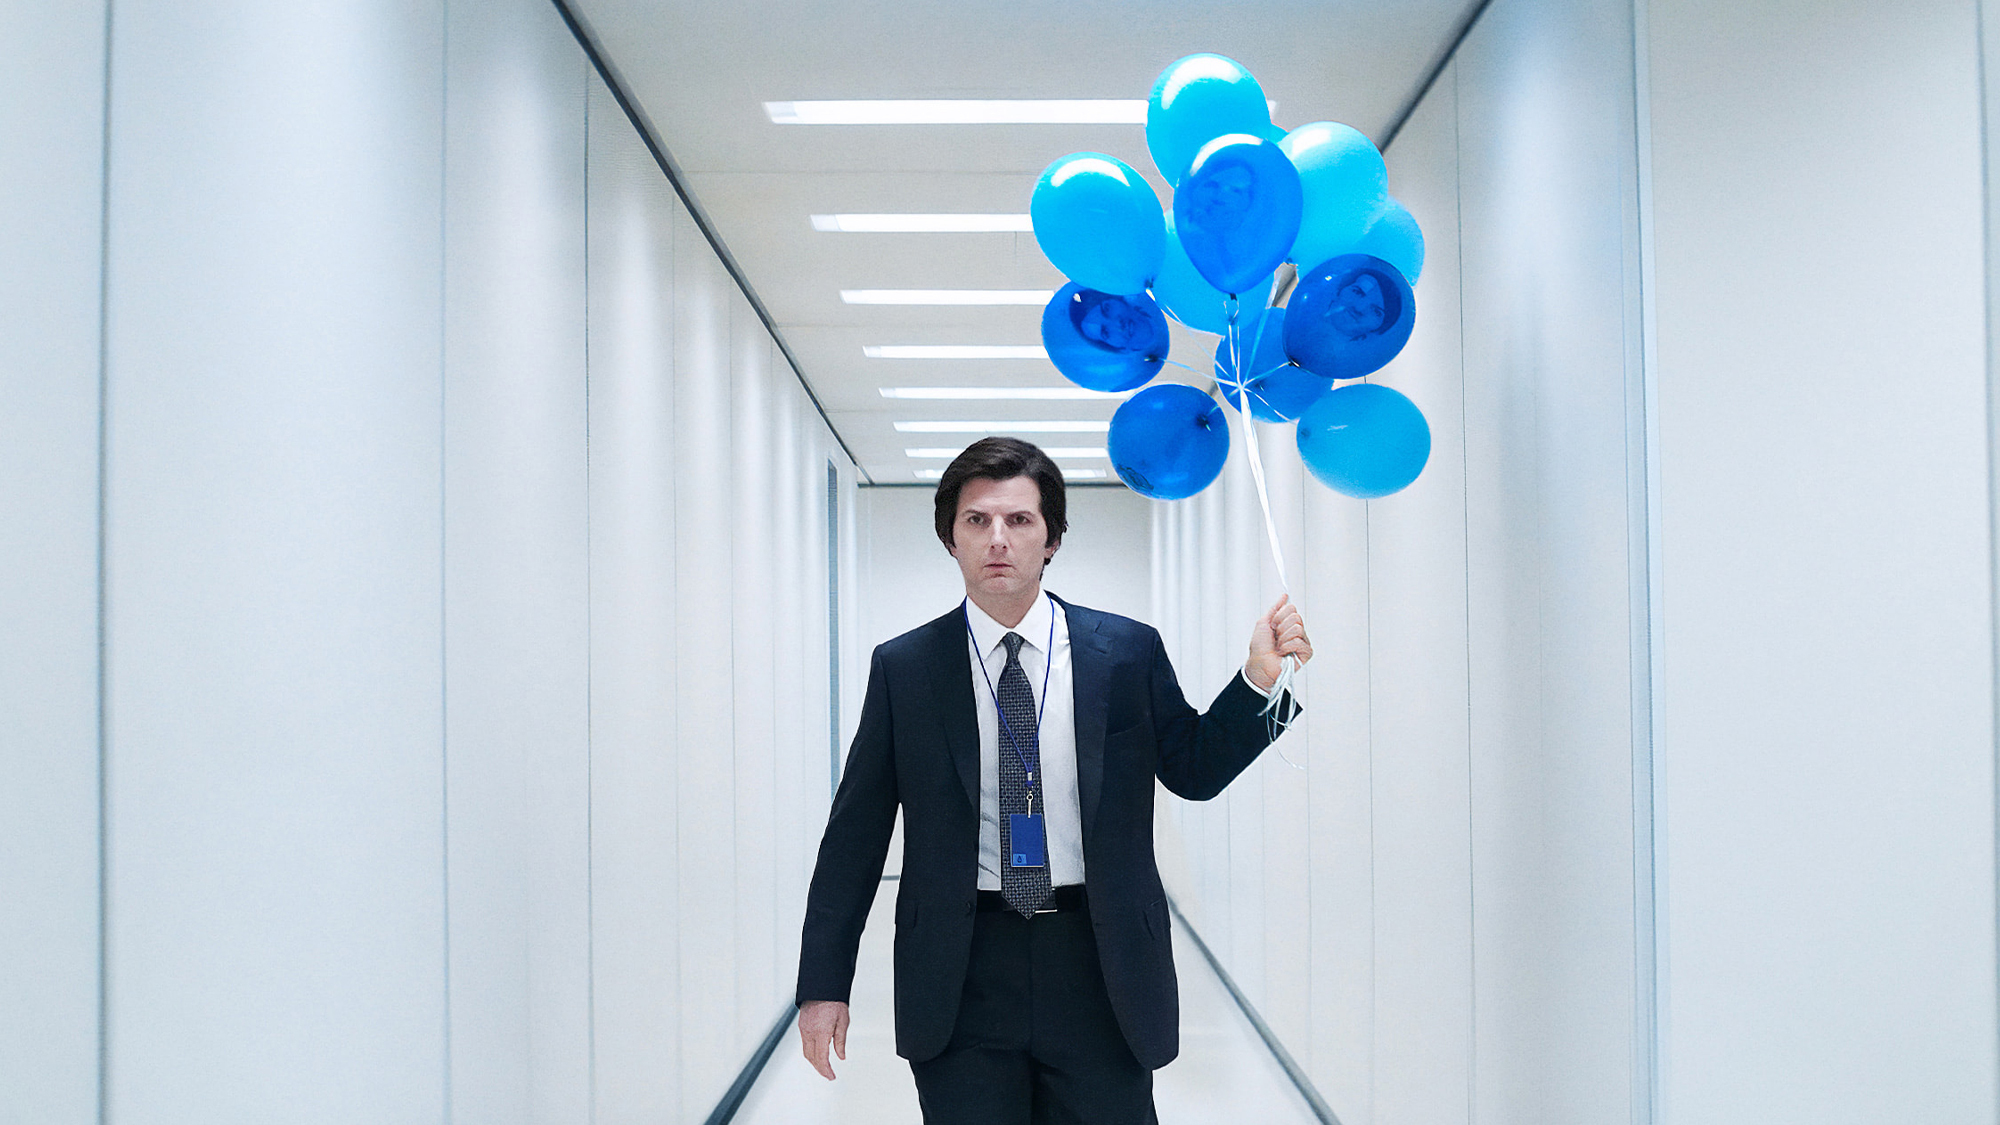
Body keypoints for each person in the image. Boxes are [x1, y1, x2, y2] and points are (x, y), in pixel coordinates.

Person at [795, 437, 1312, 1124]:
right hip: (962, 965)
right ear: (951, 538)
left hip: (1098, 961)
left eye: (1020, 520)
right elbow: (853, 839)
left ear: (1053, 538)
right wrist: (824, 983)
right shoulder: (906, 668)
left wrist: (1258, 683)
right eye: (977, 520)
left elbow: (1193, 768)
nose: (998, 538)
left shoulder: (1125, 652)